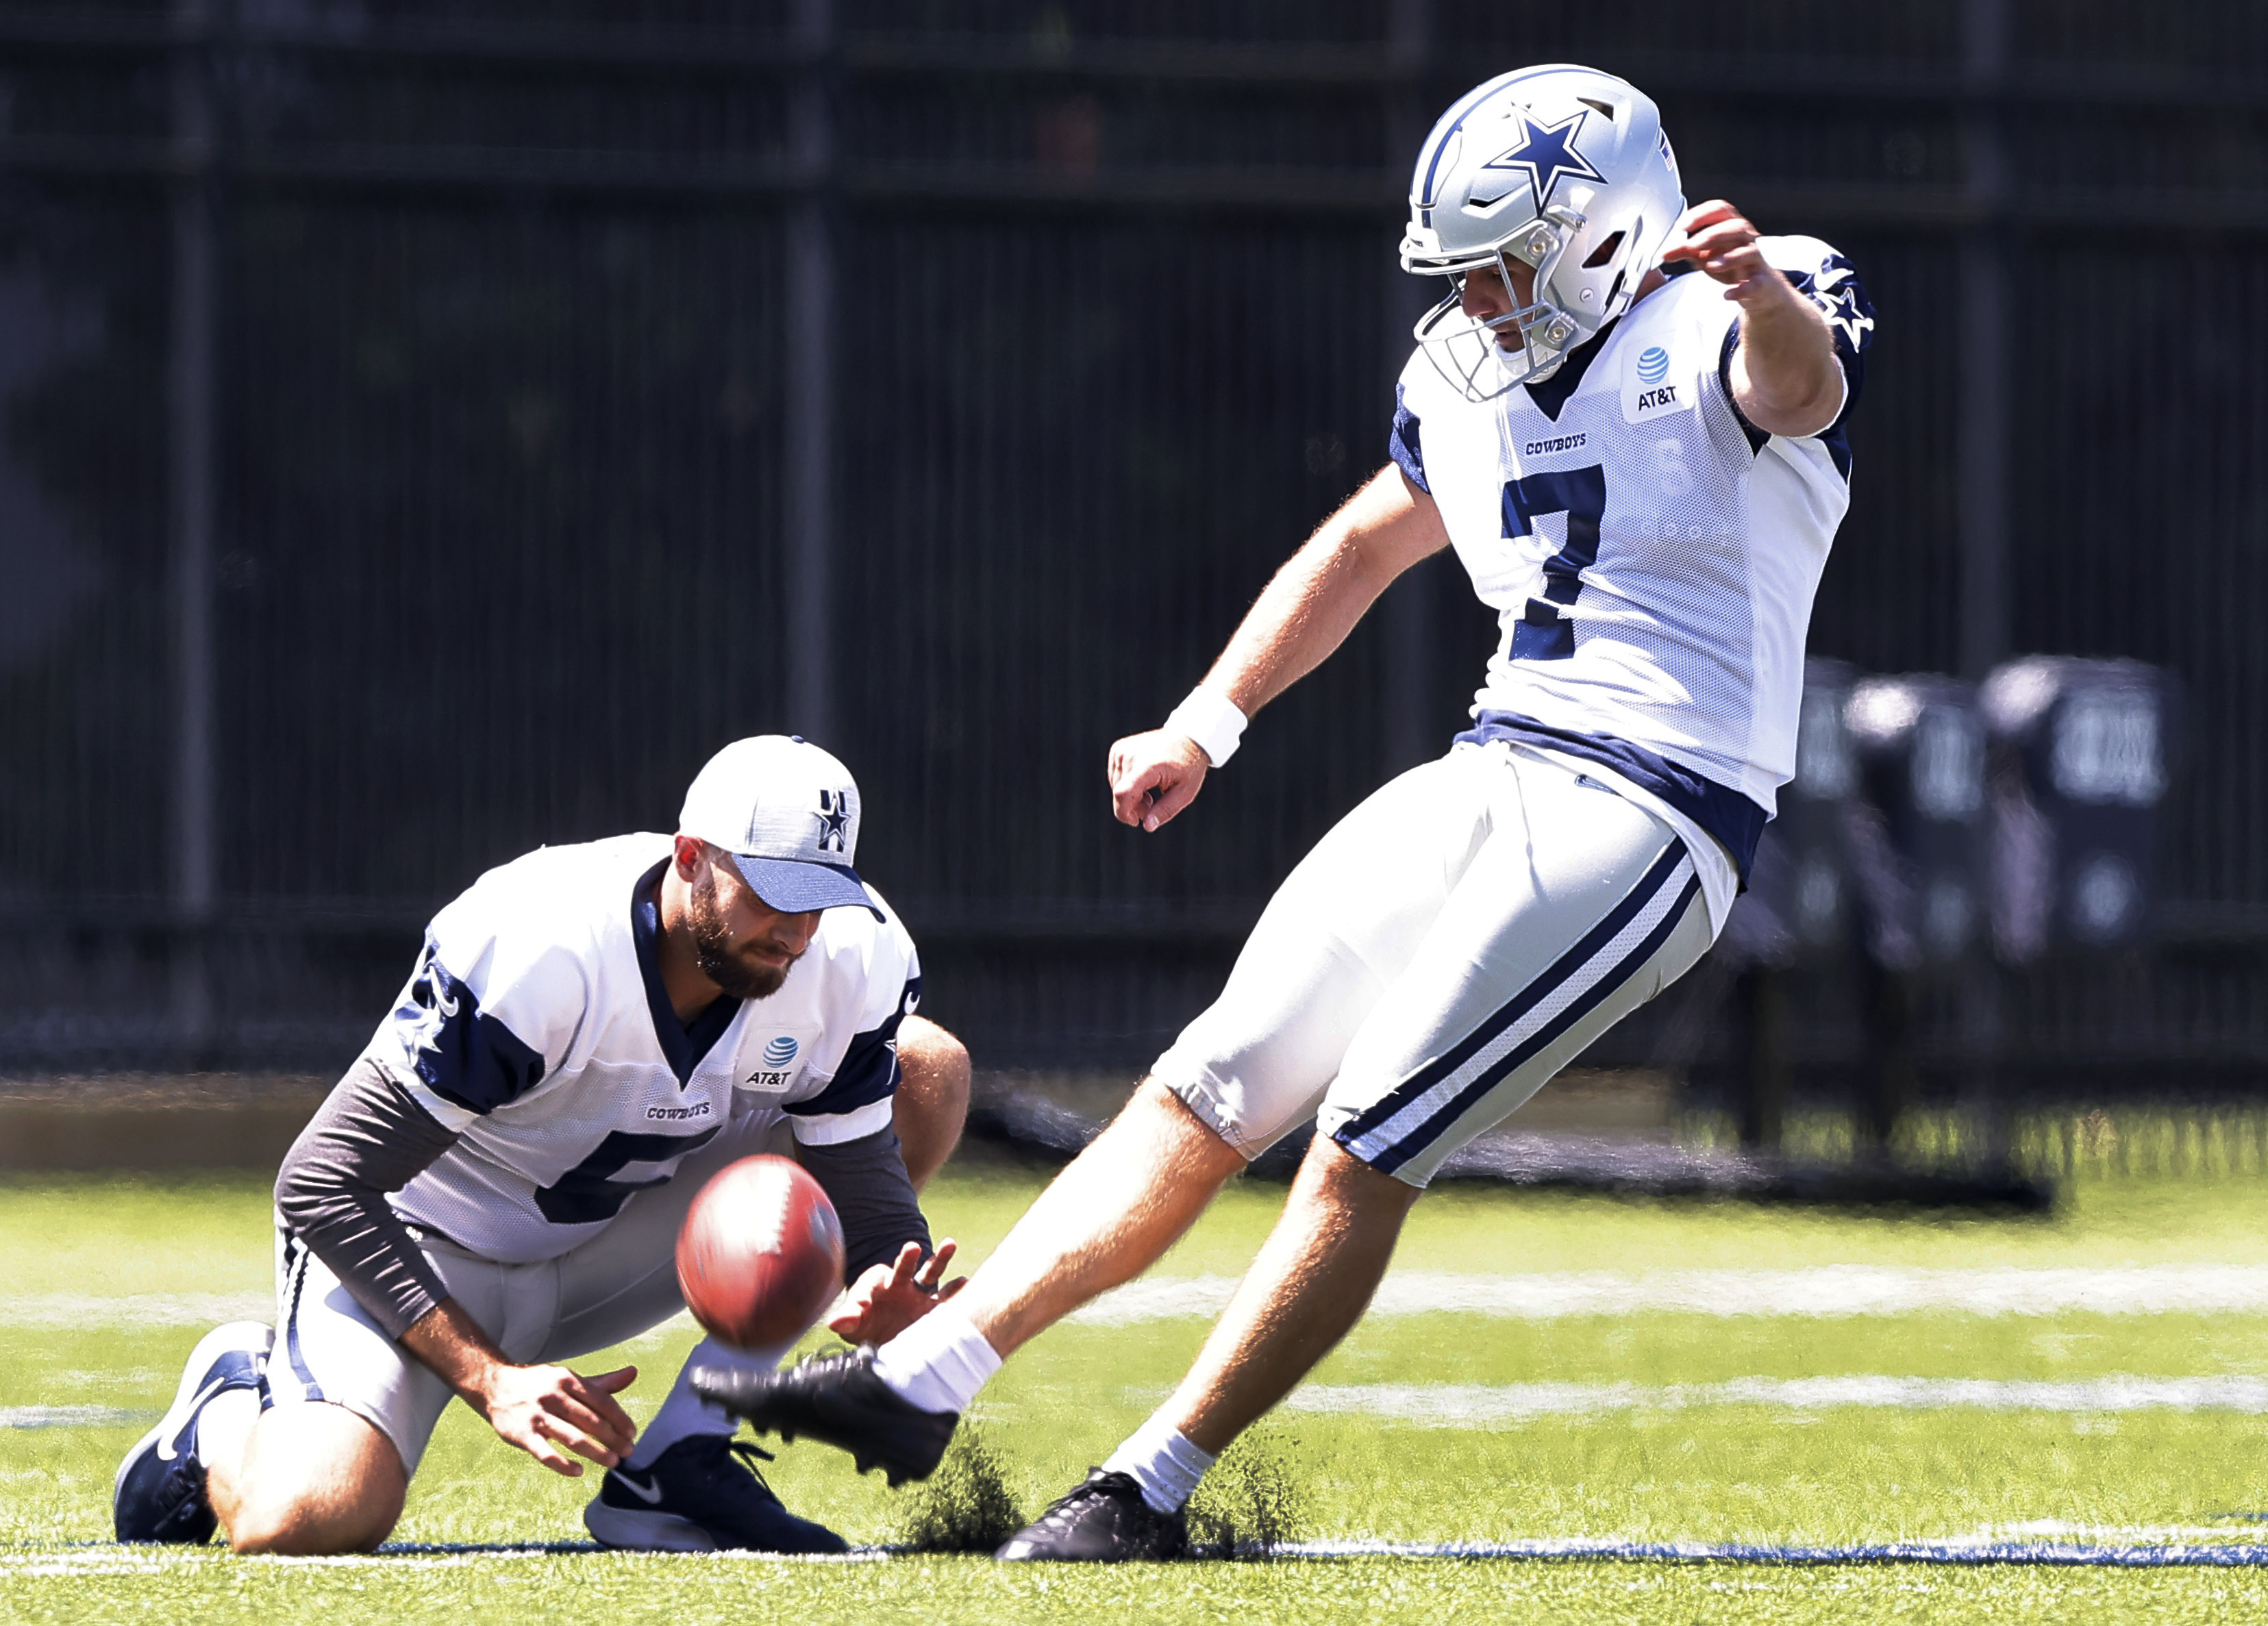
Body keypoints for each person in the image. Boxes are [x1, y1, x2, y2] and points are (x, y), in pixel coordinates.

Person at [695, 62, 1877, 1561]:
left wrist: (1757, 290)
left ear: (1601, 232)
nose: (1483, 304)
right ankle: (920, 1378)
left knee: (1365, 1127)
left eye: (1505, 264)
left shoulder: (1738, 311)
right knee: (1205, 1082)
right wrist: (1209, 714)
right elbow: (1363, 542)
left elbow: (1799, 392)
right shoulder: (1462, 371)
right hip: (1494, 763)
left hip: (1653, 806)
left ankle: (1148, 1481)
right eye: (1464, 272)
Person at [112, 735, 971, 1555]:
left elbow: (864, 1192)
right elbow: (322, 1182)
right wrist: (490, 1378)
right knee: (304, 1518)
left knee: (927, 1068)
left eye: (818, 896)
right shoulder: (543, 944)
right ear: (689, 858)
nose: (795, 930)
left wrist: (886, 1287)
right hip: (426, 1250)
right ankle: (223, 1401)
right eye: (771, 892)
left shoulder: (850, 959)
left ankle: (681, 1457)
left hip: (616, 1237)